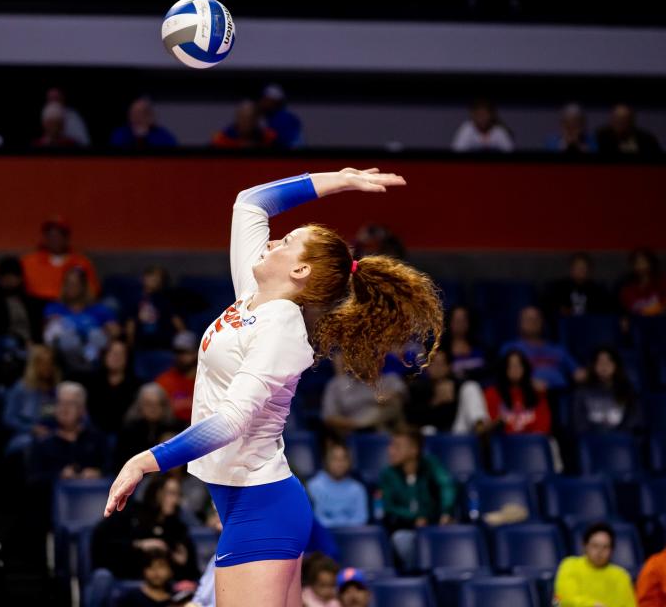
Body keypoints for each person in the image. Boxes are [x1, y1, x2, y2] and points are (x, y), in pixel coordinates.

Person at [105, 168, 442, 606]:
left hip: (261, 508)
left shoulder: (282, 325)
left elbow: (230, 421)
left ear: (300, 269)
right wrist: (339, 180)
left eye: (285, 243)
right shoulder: (252, 294)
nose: (270, 242)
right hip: (248, 503)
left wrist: (145, 462)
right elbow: (250, 201)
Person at [92, 474, 199, 581]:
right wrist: (139, 545)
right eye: (171, 493)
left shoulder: (177, 528)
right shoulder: (130, 515)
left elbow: (191, 572)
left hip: (163, 588)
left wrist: (181, 562)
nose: (176, 501)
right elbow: (103, 541)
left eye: (178, 495)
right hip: (125, 577)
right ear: (156, 492)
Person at [379, 426, 455, 568]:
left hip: (433, 526)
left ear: (414, 450)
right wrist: (414, 518)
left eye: (397, 446)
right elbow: (388, 508)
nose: (390, 450)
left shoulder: (430, 465)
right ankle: (417, 577)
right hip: (404, 529)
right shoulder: (387, 475)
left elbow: (446, 486)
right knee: (401, 539)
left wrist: (446, 511)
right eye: (391, 445)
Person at [43, 268, 118, 375]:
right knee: (67, 338)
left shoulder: (99, 310)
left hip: (94, 356)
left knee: (96, 335)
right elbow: (47, 337)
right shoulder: (54, 309)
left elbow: (115, 332)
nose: (71, 288)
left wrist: (104, 332)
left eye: (75, 284)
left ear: (84, 286)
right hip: (65, 357)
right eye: (68, 284)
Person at [499, 306, 586, 390]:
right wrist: (528, 383)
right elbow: (504, 377)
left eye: (536, 319)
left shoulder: (557, 349)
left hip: (560, 395)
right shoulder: (510, 348)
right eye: (528, 319)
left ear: (542, 322)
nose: (533, 323)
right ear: (520, 323)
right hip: (528, 396)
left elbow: (578, 372)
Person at [404, 351, 489, 434]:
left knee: (470, 386)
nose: (436, 368)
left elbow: (455, 415)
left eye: (440, 364)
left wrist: (452, 400)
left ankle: (481, 428)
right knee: (428, 429)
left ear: (448, 367)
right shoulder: (419, 387)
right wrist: (435, 402)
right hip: (434, 436)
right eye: (433, 364)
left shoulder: (456, 384)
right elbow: (411, 418)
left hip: (459, 430)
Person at [553, 522, 636, 607]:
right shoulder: (569, 565)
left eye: (605, 547)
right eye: (595, 546)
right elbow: (560, 601)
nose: (600, 551)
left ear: (612, 550)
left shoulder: (621, 576)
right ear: (585, 546)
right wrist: (592, 605)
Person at [321, 355, 405, 438]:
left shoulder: (390, 379)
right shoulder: (336, 384)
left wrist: (384, 399)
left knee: (390, 407)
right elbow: (329, 418)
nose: (362, 363)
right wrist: (355, 424)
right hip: (349, 434)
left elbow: (399, 398)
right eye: (358, 358)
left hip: (386, 432)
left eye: (368, 356)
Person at [20, 216, 100, 302]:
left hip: (70, 307)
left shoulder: (81, 262)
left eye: (59, 234)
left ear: (67, 237)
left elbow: (93, 291)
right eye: (50, 235)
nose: (55, 238)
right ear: (45, 238)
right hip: (35, 306)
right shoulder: (28, 262)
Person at [1, 344, 59, 454]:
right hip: (24, 437)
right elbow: (8, 418)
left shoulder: (55, 390)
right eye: (43, 363)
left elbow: (53, 417)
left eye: (50, 363)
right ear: (34, 365)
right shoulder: (21, 388)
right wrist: (32, 428)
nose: (47, 367)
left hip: (51, 435)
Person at [573, 348, 643, 433]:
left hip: (621, 439)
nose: (604, 366)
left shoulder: (628, 390)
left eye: (608, 362)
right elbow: (578, 421)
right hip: (591, 440)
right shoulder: (582, 391)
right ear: (593, 366)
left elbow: (634, 419)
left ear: (616, 365)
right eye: (600, 362)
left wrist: (619, 435)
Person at [483, 350, 552, 435]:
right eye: (510, 365)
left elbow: (544, 425)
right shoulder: (492, 393)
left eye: (518, 365)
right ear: (504, 369)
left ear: (525, 368)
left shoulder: (537, 392)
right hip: (504, 442)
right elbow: (491, 425)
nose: (515, 369)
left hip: (531, 442)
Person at [115, 384, 179, 471]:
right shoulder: (129, 430)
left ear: (164, 406)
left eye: (158, 404)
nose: (153, 408)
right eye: (149, 404)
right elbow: (121, 461)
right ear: (140, 405)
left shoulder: (173, 427)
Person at [86, 339, 142, 434]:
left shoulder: (136, 385)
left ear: (127, 358)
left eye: (120, 354)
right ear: (104, 356)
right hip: (95, 433)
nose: (115, 357)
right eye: (112, 352)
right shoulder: (91, 381)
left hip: (125, 434)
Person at [305, 443, 368, 528]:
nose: (339, 463)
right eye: (335, 459)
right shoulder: (313, 487)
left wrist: (342, 530)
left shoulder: (358, 489)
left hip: (352, 537)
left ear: (349, 462)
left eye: (343, 459)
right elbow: (314, 518)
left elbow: (361, 519)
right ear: (326, 461)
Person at [544, 252, 613, 318]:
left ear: (590, 271)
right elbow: (551, 308)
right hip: (566, 324)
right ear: (571, 269)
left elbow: (603, 311)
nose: (581, 270)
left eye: (584, 267)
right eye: (578, 267)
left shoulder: (598, 290)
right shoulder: (560, 287)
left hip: (591, 325)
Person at [155, 332, 198, 425]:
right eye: (177, 352)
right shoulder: (164, 380)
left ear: (196, 353)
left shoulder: (205, 380)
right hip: (171, 428)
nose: (180, 357)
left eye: (185, 352)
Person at [619, 248, 666, 317]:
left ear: (651, 263)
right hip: (637, 322)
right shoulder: (626, 285)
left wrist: (651, 311)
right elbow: (625, 310)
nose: (640, 266)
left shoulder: (662, 281)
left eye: (643, 262)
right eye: (637, 263)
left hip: (660, 320)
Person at [441, 306, 489, 383]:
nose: (460, 323)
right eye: (457, 320)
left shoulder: (481, 347)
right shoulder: (442, 349)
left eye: (463, 320)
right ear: (450, 323)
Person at [110, 97, 178, 149]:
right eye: (133, 113)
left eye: (141, 113)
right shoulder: (120, 134)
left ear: (150, 116)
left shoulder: (164, 137)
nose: (136, 117)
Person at [597, 103, 661, 155]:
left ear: (631, 121)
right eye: (617, 120)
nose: (620, 124)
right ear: (611, 120)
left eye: (623, 121)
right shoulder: (601, 138)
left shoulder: (647, 140)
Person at [211, 101, 278, 149]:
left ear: (256, 120)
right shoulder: (221, 140)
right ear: (237, 119)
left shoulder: (268, 138)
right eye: (243, 118)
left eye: (250, 119)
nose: (246, 123)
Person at [257, 85, 303, 149]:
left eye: (267, 100)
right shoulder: (263, 117)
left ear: (276, 102)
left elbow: (289, 141)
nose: (263, 102)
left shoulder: (287, 119)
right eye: (263, 99)